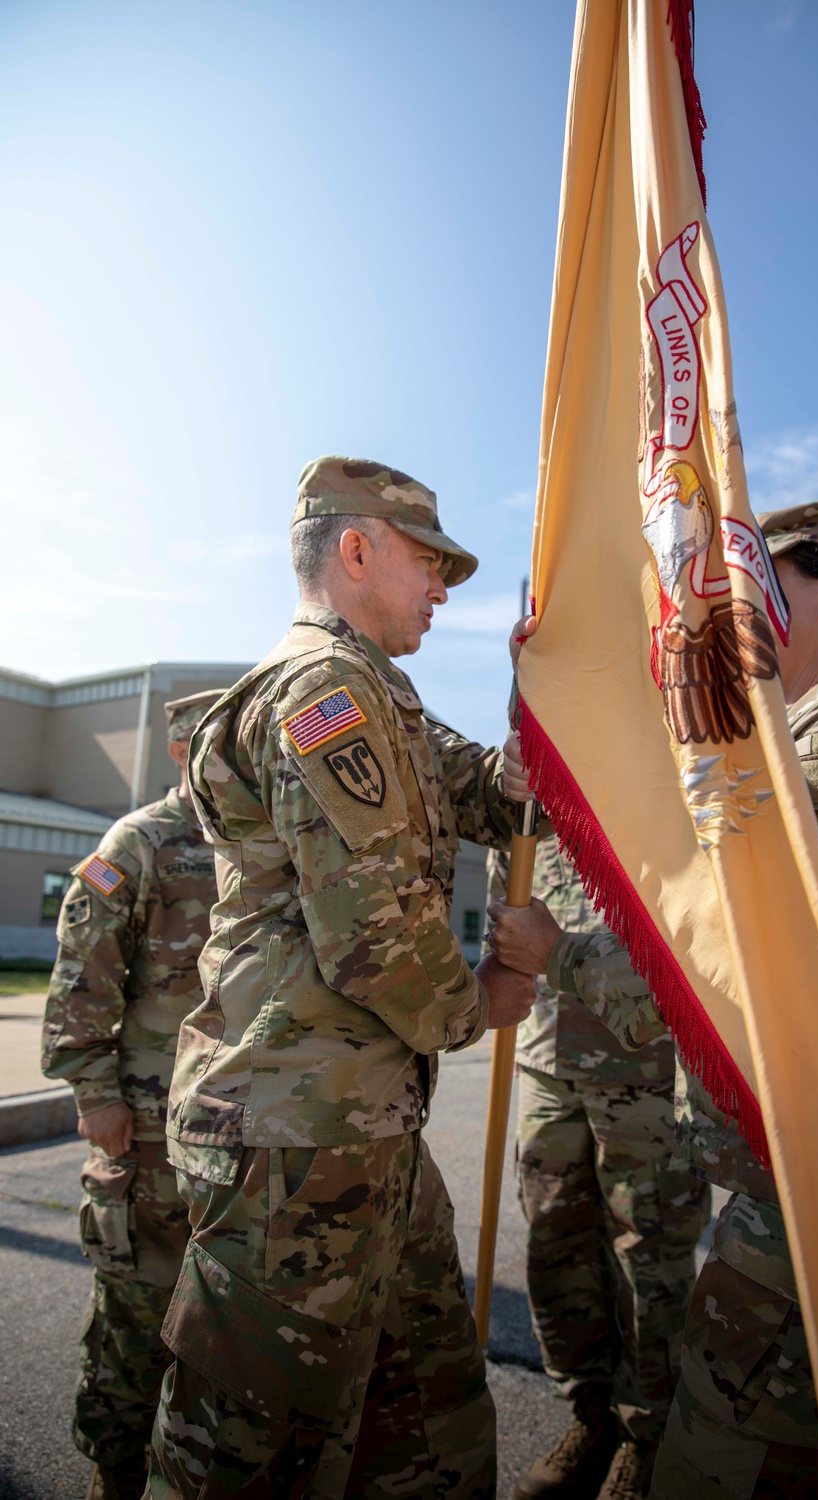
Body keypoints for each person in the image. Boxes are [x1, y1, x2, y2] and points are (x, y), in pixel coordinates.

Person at [488, 496, 818, 1500]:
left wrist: (560, 957)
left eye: (759, 583)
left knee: (741, 1440)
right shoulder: (808, 726)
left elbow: (754, 948)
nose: (729, 606)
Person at [148, 456, 535, 1500]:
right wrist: (484, 1001)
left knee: (419, 1409)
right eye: (429, 562)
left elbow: (497, 799)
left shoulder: (387, 699)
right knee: (243, 1453)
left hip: (358, 1125)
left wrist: (551, 702)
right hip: (293, 1135)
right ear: (354, 550)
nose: (444, 589)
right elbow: (370, 934)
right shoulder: (327, 694)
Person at [486, 842, 710, 1500]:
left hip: (644, 1062)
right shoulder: (536, 795)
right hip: (545, 1054)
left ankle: (647, 1437)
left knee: (648, 1252)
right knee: (555, 1239)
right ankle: (590, 1416)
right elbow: (507, 903)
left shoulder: (661, 770)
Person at [41, 689, 222, 1500]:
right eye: (215, 743)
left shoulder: (264, 841)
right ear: (183, 750)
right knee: (134, 1321)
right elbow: (83, 979)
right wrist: (93, 1091)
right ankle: (112, 1473)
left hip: (236, 1131)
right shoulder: (142, 842)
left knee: (221, 1331)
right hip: (145, 1130)